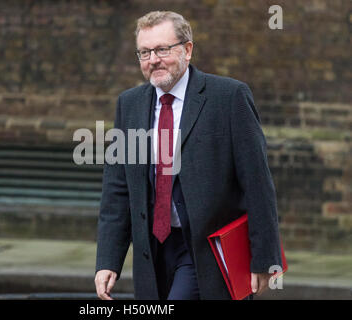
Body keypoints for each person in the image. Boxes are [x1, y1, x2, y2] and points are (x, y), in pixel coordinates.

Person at [95, 11, 283, 300]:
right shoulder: (129, 104)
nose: (153, 59)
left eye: (162, 49)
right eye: (144, 52)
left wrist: (265, 257)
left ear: (188, 49)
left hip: (206, 250)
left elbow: (257, 183)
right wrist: (108, 260)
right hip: (152, 251)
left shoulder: (229, 97)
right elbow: (117, 189)